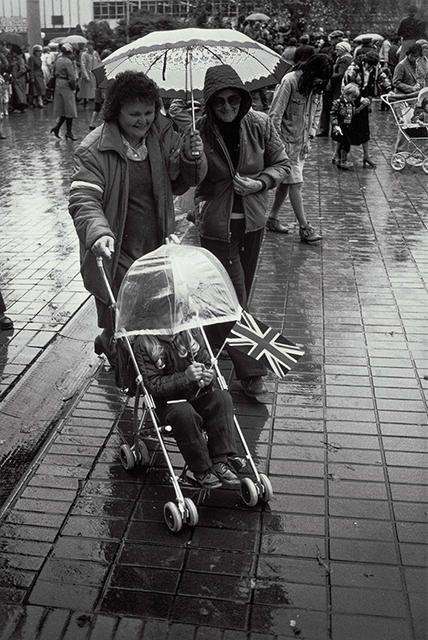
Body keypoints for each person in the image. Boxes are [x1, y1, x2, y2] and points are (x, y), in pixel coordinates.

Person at [68, 71, 206, 367]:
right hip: (116, 243)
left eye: (148, 112)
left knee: (153, 306)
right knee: (122, 309)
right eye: (134, 114)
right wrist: (98, 232)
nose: (143, 120)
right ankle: (121, 354)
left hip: (156, 239)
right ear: (116, 111)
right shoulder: (95, 148)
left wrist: (193, 156)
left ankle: (119, 347)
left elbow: (183, 181)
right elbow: (83, 198)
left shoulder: (160, 135)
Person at [194, 64, 290, 398]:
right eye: (219, 103)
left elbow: (282, 165)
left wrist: (259, 182)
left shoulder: (260, 124)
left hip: (253, 222)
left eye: (233, 101)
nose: (227, 109)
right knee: (236, 299)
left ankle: (209, 350)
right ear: (208, 103)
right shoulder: (200, 130)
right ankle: (253, 372)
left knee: (233, 295)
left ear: (243, 99)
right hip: (216, 226)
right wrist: (191, 158)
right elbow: (188, 179)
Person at [133, 328, 242, 488]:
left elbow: (205, 364)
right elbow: (153, 386)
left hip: (195, 395)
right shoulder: (144, 343)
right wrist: (186, 377)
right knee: (184, 412)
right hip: (167, 405)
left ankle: (220, 459)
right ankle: (200, 468)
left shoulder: (191, 333)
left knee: (222, 398)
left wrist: (206, 378)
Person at [266, 54, 332, 241]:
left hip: (302, 144)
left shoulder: (315, 88)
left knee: (287, 185)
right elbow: (274, 116)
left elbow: (316, 111)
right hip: (285, 144)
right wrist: (277, 146)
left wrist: (311, 134)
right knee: (296, 184)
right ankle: (305, 228)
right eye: (319, 77)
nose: (320, 82)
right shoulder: (290, 81)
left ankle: (272, 218)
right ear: (311, 71)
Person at [342, 51, 392, 167]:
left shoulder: (375, 67)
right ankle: (340, 156)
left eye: (373, 66)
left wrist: (389, 89)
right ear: (365, 62)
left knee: (365, 129)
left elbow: (382, 77)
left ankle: (366, 156)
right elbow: (347, 86)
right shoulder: (353, 68)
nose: (371, 68)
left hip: (364, 100)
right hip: (351, 99)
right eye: (369, 66)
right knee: (347, 128)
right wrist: (358, 99)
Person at [331, 82, 369, 170]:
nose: (353, 99)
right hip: (340, 127)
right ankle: (342, 161)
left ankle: (340, 160)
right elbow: (333, 114)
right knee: (344, 144)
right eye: (352, 97)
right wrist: (335, 124)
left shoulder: (350, 103)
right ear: (346, 94)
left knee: (346, 144)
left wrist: (362, 106)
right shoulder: (338, 102)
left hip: (347, 127)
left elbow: (354, 112)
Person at [50, 42, 78, 140]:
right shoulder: (67, 62)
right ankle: (68, 132)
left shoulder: (58, 60)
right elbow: (72, 77)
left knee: (63, 110)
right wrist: (74, 88)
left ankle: (57, 128)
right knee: (70, 110)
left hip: (58, 84)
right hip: (66, 85)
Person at [88, 48, 112, 130]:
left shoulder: (99, 65)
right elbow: (104, 80)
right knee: (105, 107)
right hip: (104, 89)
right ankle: (103, 124)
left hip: (98, 88)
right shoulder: (106, 67)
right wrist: (103, 91)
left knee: (97, 107)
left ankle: (92, 123)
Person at [78, 41, 100, 107]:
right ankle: (85, 103)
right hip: (87, 74)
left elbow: (99, 62)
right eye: (88, 46)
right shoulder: (84, 54)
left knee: (93, 91)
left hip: (94, 74)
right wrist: (86, 75)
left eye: (91, 45)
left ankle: (93, 105)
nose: (90, 47)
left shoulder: (95, 53)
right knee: (86, 91)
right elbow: (83, 65)